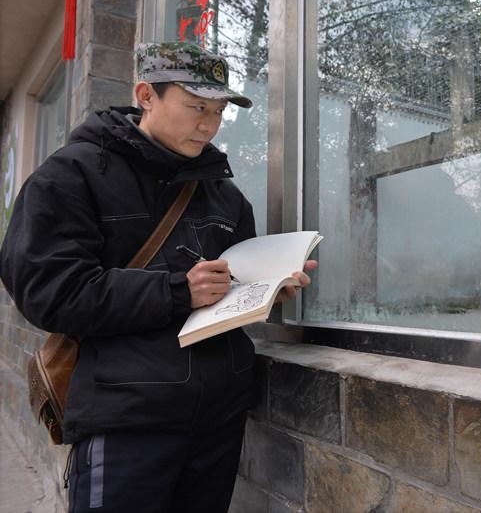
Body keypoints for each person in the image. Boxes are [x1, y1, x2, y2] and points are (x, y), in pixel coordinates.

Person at [0, 42, 315, 512]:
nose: (208, 124)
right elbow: (48, 292)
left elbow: (227, 293)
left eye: (217, 111)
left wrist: (269, 290)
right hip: (127, 422)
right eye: (195, 107)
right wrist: (175, 290)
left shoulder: (226, 197)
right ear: (146, 95)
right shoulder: (71, 176)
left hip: (218, 421)